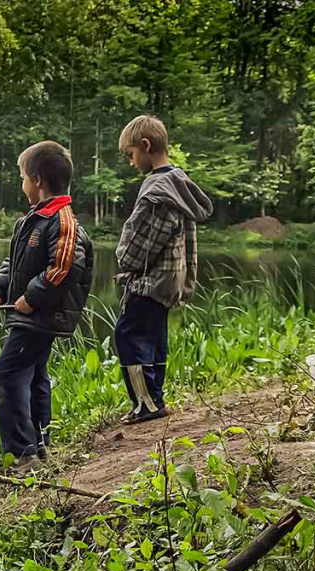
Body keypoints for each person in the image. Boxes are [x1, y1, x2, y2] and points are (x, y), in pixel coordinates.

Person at [0, 140, 93, 473]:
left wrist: (31, 298)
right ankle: (39, 446)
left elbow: (65, 267)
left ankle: (22, 454)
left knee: (7, 375)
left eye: (23, 177)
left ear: (38, 180)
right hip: (28, 315)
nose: (22, 184)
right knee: (33, 376)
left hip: (41, 316)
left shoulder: (62, 220)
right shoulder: (34, 219)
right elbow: (15, 262)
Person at [114, 115, 213, 425]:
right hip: (170, 280)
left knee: (128, 335)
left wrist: (123, 260)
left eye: (131, 154)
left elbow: (140, 247)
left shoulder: (158, 192)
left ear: (146, 146)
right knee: (153, 336)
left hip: (149, 282)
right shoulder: (179, 183)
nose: (131, 163)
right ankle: (155, 396)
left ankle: (146, 403)